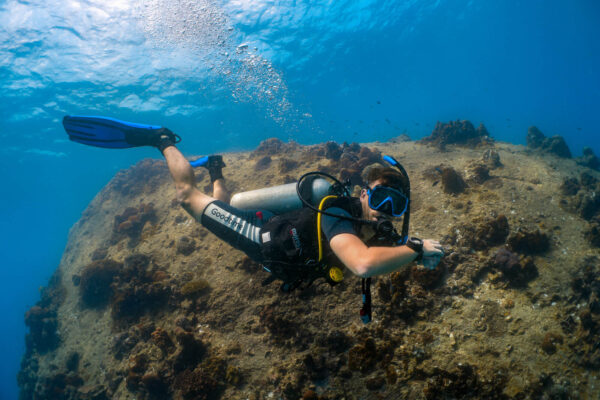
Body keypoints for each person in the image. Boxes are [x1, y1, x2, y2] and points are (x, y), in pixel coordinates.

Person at [62, 115, 445, 321]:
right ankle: (161, 139)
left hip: (280, 244)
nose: (384, 211)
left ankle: (215, 169)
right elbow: (361, 264)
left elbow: (381, 255)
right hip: (260, 238)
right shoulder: (337, 213)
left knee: (225, 203)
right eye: (380, 198)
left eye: (395, 205)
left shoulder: (373, 229)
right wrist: (414, 247)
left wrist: (409, 249)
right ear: (364, 193)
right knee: (186, 198)